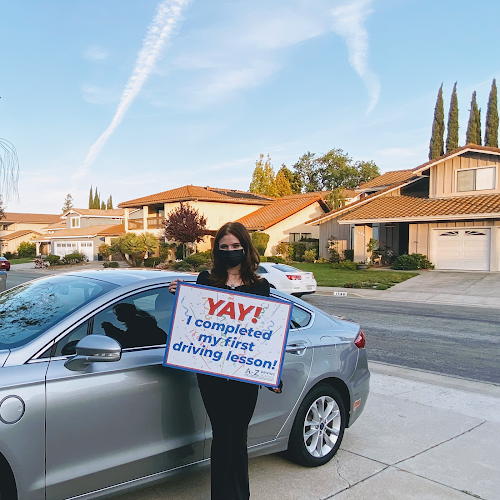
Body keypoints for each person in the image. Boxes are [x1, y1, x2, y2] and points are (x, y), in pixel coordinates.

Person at [169, 221, 281, 500]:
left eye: (235, 246)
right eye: (224, 247)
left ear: (245, 248)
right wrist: (181, 296)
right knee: (222, 435)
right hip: (212, 374)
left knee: (239, 437)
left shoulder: (260, 286)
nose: (230, 251)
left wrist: (270, 373)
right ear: (217, 250)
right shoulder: (206, 280)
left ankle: (241, 496)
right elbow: (198, 325)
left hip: (245, 376)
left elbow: (263, 336)